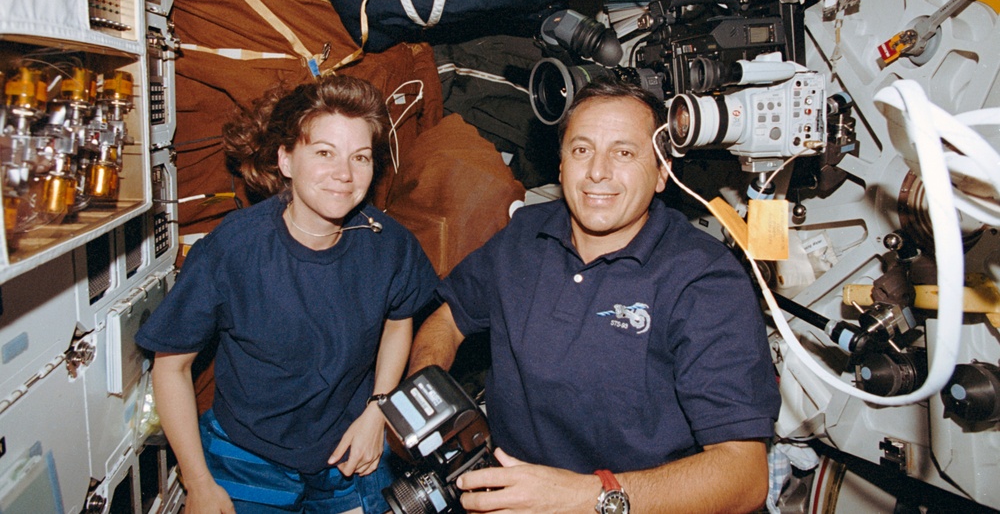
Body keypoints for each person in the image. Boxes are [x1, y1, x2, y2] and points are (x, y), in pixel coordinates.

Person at [408, 77, 781, 514]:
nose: (598, 171)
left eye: (624, 153)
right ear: (561, 165)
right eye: (582, 150)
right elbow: (449, 319)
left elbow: (744, 476)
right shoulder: (526, 235)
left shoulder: (704, 279)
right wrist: (426, 405)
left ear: (662, 172)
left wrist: (588, 497)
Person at [136, 76, 439, 514]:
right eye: (324, 153)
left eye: (360, 157)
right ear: (286, 159)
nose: (344, 175)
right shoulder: (233, 249)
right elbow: (172, 367)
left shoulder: (389, 243)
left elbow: (399, 319)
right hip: (248, 455)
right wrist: (198, 481)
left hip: (349, 447)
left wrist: (378, 410)